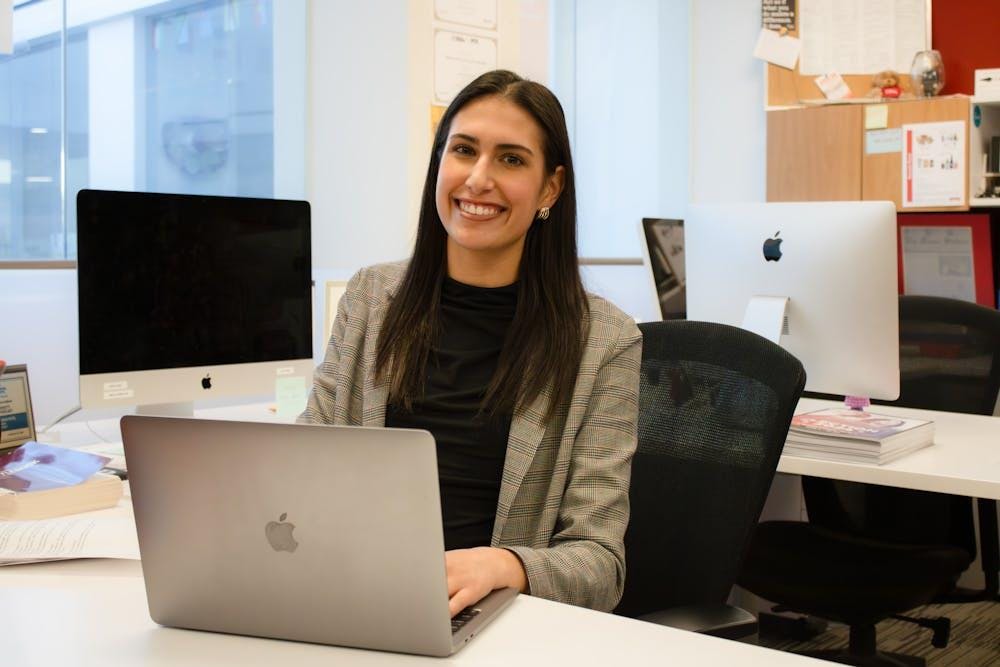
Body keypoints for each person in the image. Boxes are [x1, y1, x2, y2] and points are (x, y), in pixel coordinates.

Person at [299, 70, 641, 616]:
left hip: (491, 619)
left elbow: (600, 565)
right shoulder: (371, 297)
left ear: (550, 188)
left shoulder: (604, 341)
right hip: (354, 596)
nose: (478, 179)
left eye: (510, 159)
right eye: (463, 150)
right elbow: (303, 469)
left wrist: (506, 565)